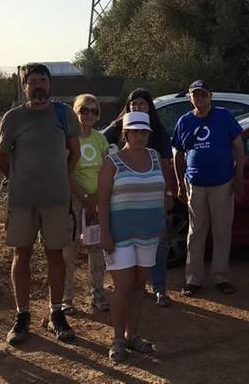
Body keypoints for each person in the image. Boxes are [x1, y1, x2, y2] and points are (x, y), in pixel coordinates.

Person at [0, 63, 81, 345]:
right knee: (22, 255)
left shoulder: (64, 114)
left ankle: (57, 314)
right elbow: (1, 157)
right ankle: (22, 316)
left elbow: (74, 153)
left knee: (56, 256)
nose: (39, 85)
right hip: (22, 201)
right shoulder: (13, 118)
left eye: (43, 80)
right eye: (33, 81)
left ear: (50, 84)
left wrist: (61, 178)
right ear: (24, 87)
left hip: (56, 200)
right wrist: (18, 180)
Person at [98, 111, 169, 362]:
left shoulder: (154, 156)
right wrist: (105, 233)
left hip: (149, 233)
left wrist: (162, 223)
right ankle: (117, 339)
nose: (139, 136)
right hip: (120, 235)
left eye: (143, 132)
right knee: (123, 286)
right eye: (134, 131)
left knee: (139, 285)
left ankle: (132, 335)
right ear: (125, 133)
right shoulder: (112, 162)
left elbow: (161, 193)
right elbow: (103, 202)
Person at [103, 88, 176, 307]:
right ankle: (136, 291)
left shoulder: (158, 135)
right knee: (126, 280)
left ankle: (160, 288)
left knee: (158, 245)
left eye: (142, 104)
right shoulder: (116, 132)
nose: (137, 107)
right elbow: (97, 141)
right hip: (123, 214)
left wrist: (168, 193)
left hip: (152, 205)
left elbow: (165, 165)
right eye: (133, 104)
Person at [172, 80, 245, 296]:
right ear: (190, 98)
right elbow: (177, 154)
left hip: (223, 183)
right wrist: (179, 183)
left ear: (210, 96)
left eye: (204, 94)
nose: (200, 98)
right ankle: (193, 279)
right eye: (196, 95)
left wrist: (239, 178)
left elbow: (239, 147)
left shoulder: (223, 116)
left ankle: (221, 277)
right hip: (195, 184)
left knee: (222, 231)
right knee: (195, 233)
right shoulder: (184, 121)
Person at [62, 94, 110, 313]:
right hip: (74, 201)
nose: (89, 115)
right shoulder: (67, 139)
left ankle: (98, 294)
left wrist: (97, 198)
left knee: (96, 250)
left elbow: (107, 171)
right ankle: (66, 298)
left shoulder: (100, 139)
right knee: (68, 250)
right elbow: (65, 172)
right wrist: (84, 197)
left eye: (93, 111)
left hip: (96, 201)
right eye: (84, 110)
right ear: (75, 112)